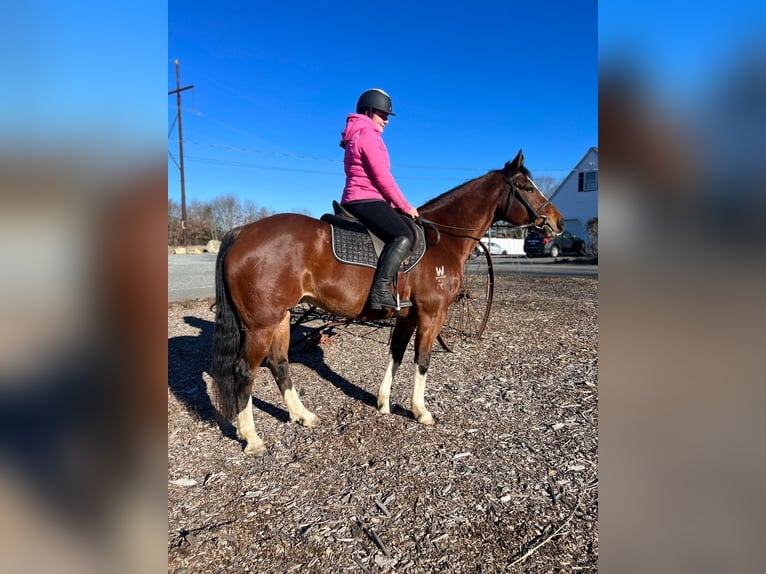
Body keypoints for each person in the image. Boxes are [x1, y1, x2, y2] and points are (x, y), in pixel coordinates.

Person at [339, 88, 419, 311]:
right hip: (365, 198)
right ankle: (380, 290)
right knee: (404, 235)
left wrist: (394, 205)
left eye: (387, 116)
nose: (386, 121)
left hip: (357, 197)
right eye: (382, 115)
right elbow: (382, 177)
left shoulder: (356, 135)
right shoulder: (368, 136)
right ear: (368, 111)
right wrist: (405, 206)